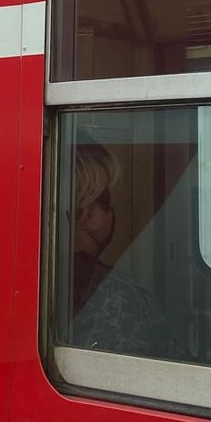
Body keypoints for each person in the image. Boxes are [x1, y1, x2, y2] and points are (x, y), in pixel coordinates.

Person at [69, 143, 173, 359]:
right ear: (86, 214)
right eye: (107, 203)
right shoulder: (120, 298)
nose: (113, 214)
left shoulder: (36, 281)